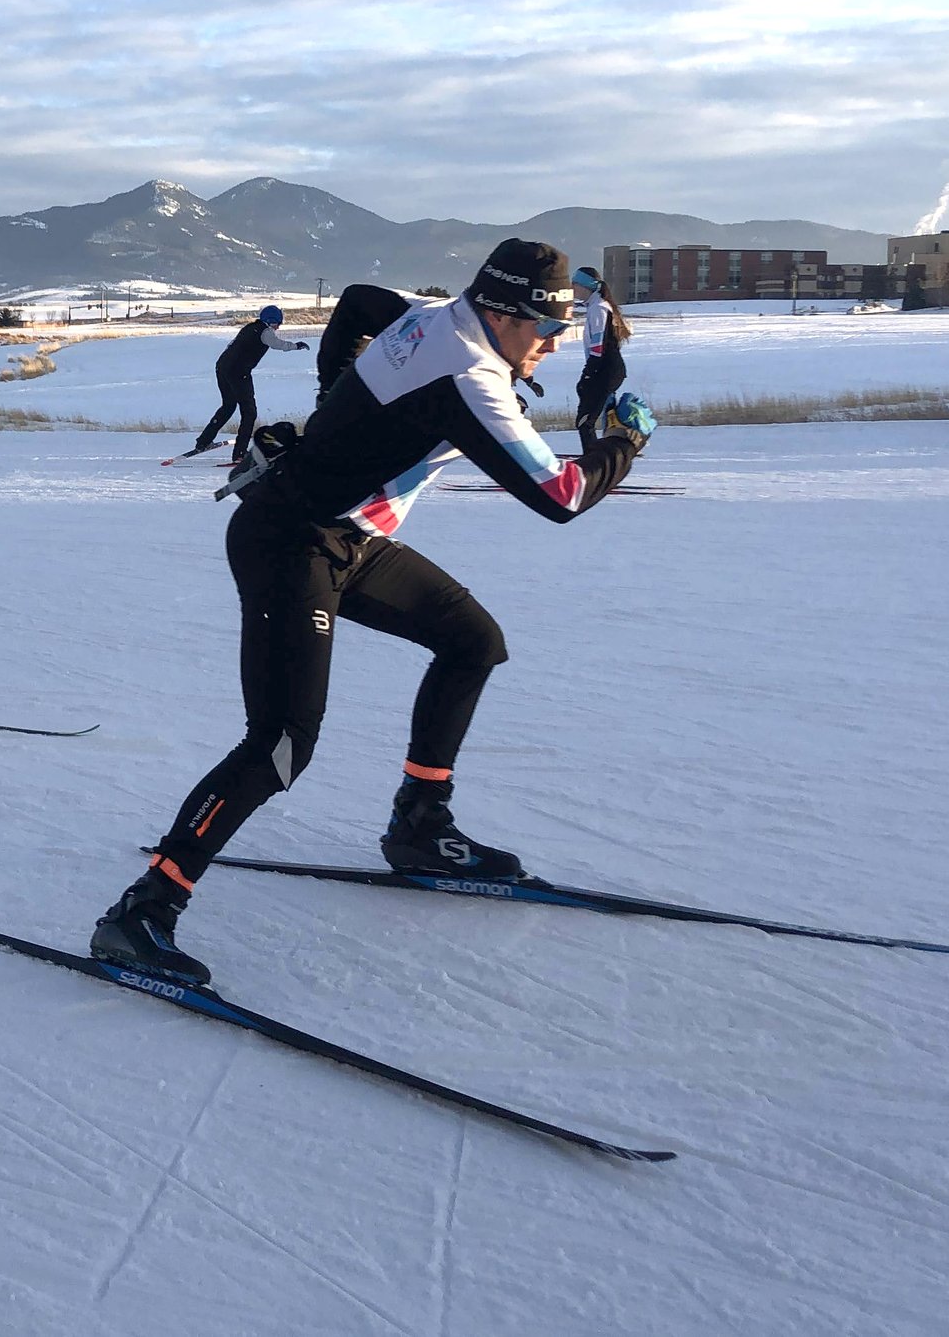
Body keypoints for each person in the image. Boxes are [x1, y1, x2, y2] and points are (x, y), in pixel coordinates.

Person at [92, 240, 656, 985]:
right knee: (280, 744)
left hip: (349, 539)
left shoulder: (435, 314)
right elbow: (562, 496)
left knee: (473, 641)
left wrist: (335, 396)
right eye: (546, 328)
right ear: (500, 314)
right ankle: (143, 910)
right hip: (289, 543)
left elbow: (359, 299)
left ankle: (421, 823)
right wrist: (624, 441)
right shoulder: (468, 373)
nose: (554, 344)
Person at [191, 304, 308, 461]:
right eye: (278, 323)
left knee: (228, 406)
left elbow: (231, 346)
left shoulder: (249, 328)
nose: (278, 327)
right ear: (271, 321)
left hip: (222, 367)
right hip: (239, 373)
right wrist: (296, 346)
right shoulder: (265, 331)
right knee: (249, 413)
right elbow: (278, 344)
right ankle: (240, 454)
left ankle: (203, 442)